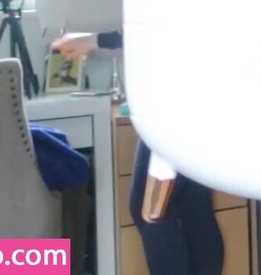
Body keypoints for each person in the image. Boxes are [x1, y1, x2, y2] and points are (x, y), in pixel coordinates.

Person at [53, 32, 225, 275]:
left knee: (152, 209)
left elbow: (157, 30)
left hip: (178, 101)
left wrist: (92, 41)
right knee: (193, 204)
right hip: (204, 93)